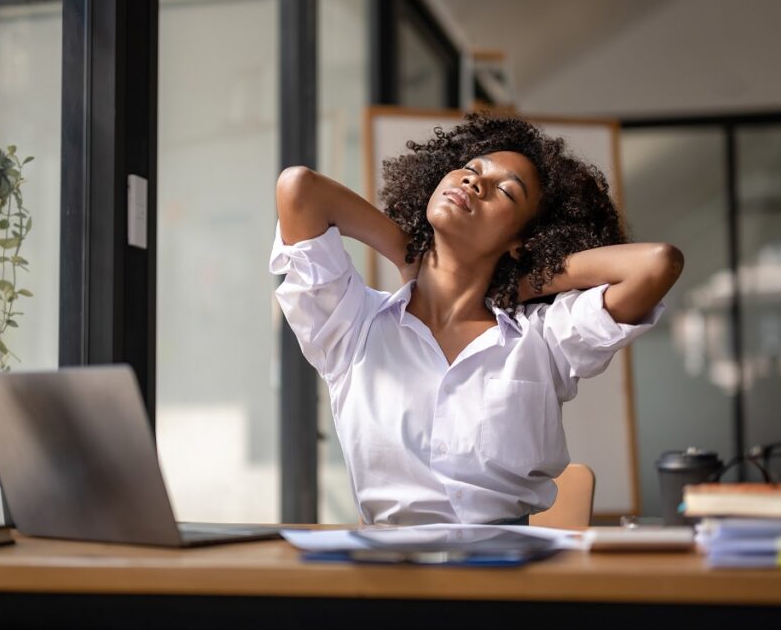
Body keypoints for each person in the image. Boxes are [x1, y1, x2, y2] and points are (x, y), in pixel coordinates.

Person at [269, 112, 683, 526]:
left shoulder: (544, 337)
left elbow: (657, 264)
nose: (475, 182)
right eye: (470, 169)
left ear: (521, 240)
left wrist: (533, 278)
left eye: (505, 190)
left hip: (508, 575)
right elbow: (300, 189)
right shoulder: (352, 326)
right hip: (392, 573)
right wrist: (405, 251)